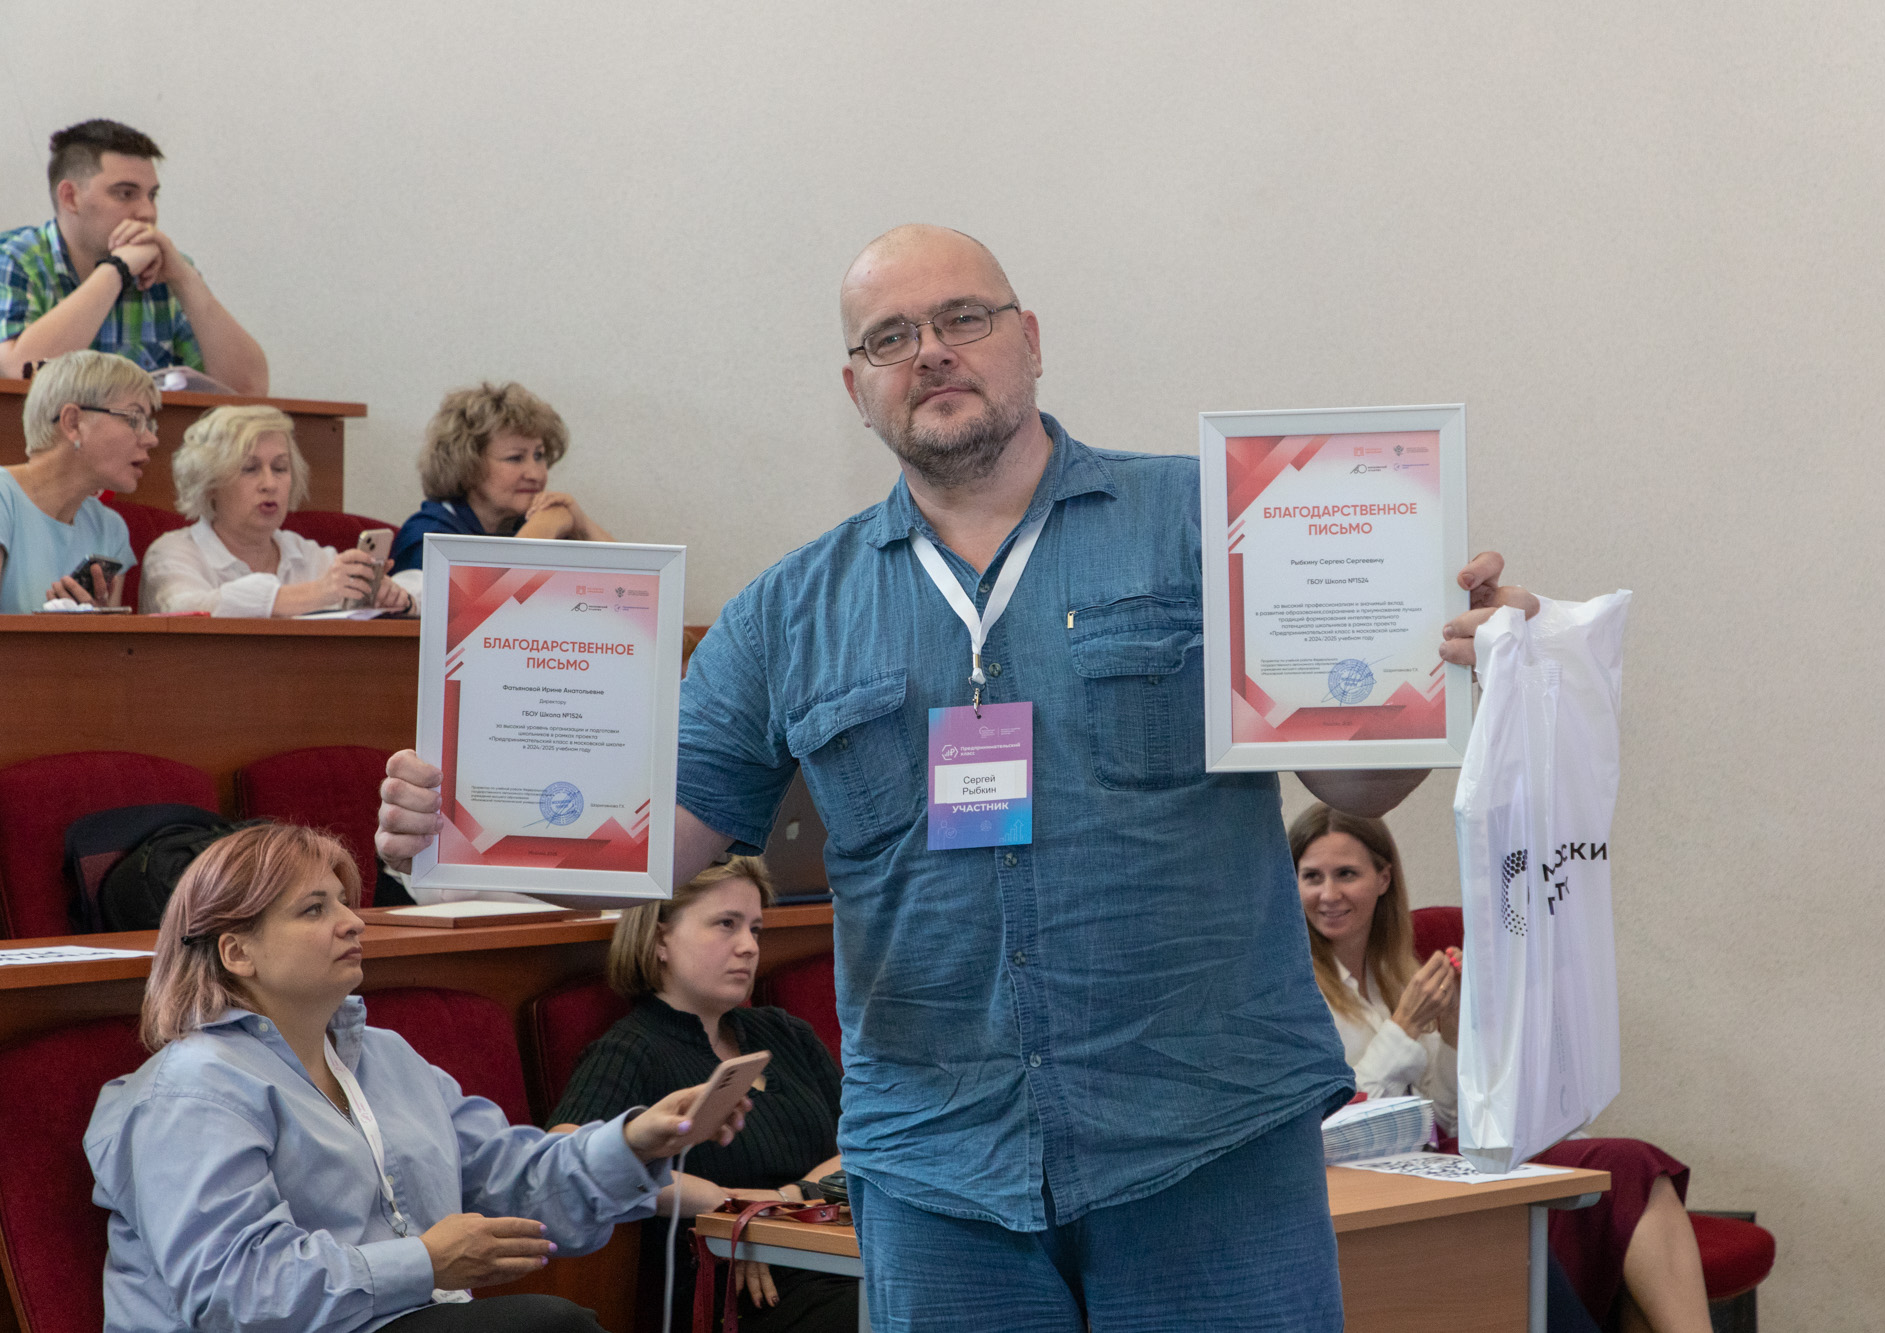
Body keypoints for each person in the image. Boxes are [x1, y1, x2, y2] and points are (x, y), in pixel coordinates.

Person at [381, 224, 1535, 1332]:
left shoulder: (1211, 524)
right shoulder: (788, 611)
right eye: (889, 336)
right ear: (856, 388)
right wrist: (454, 830)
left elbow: (1360, 785)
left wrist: (1451, 663)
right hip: (939, 1176)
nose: (929, 351)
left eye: (962, 318)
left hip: (1205, 1140)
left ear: (1028, 338)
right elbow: (641, 847)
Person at [84, 823, 750, 1333]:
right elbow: (235, 1291)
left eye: (345, 902)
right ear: (238, 951)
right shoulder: (193, 1088)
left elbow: (511, 1179)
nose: (352, 920)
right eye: (314, 909)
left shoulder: (387, 1057)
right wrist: (426, 1262)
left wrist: (636, 1142)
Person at [1290, 804, 1713, 1333]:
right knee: (1579, 1194)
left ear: (1384, 878)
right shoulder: (1293, 989)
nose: (1328, 894)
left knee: (1630, 1166)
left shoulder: (1399, 970)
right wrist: (1403, 1027)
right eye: (1312, 877)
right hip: (1372, 1185)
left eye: (1346, 874)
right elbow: (1335, 1125)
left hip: (1442, 1160)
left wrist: (1452, 1034)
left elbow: (1448, 1117)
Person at [548, 857, 855, 1332]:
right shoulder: (630, 1050)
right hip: (736, 1291)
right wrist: (727, 1208)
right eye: (726, 924)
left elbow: (862, 1143)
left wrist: (780, 1204)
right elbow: (567, 1156)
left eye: (755, 928)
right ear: (660, 940)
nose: (749, 946)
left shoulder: (785, 1032)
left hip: (834, 1255)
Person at [0, 119, 268, 393]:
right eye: (125, 194)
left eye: (152, 196)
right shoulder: (15, 259)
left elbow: (248, 392)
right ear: (70, 197)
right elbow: (23, 374)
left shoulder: (164, 271)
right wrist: (115, 270)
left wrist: (185, 279)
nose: (148, 212)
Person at [139, 404, 412, 616]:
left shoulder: (305, 554)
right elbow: (191, 609)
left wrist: (393, 596)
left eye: (280, 468)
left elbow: (420, 589)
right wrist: (319, 592)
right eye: (250, 469)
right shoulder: (173, 552)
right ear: (210, 483)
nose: (270, 484)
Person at [388, 382, 613, 575]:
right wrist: (545, 526)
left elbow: (629, 591)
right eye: (515, 458)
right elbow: (493, 600)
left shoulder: (522, 522)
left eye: (539, 455)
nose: (536, 474)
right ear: (468, 463)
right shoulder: (429, 536)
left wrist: (580, 521)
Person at [0, 348, 156, 611]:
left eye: (149, 424)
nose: (152, 439)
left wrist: (92, 626)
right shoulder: (4, 498)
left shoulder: (110, 527)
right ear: (73, 423)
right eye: (133, 419)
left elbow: (110, 639)